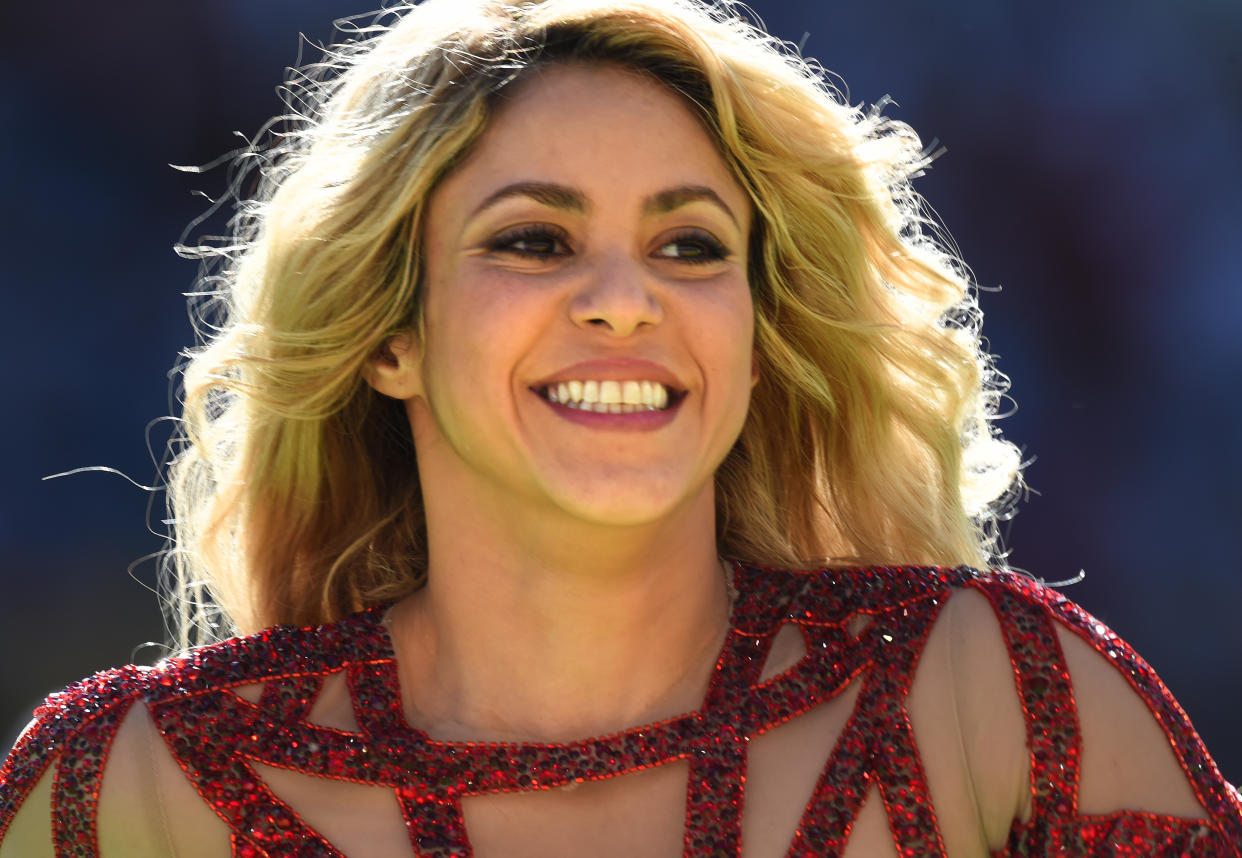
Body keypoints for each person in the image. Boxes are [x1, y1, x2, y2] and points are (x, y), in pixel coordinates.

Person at [1, 0, 1239, 855]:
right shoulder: (145, 783)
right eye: (534, 240)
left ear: (754, 337)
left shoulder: (982, 696)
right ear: (391, 339)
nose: (623, 299)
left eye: (689, 245)